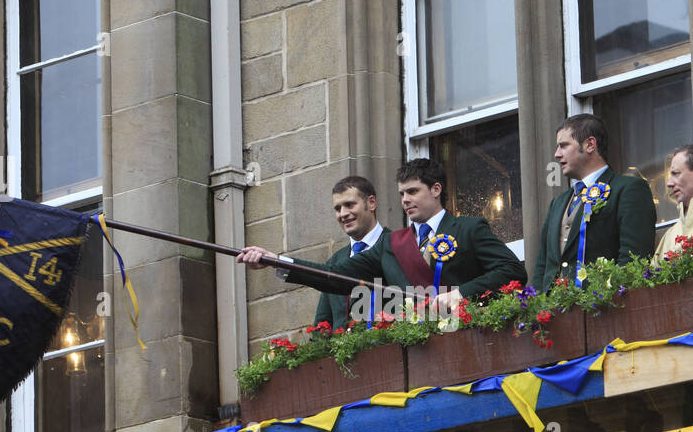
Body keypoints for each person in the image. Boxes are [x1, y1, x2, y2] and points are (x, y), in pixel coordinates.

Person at [237, 158, 526, 318]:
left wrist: (458, 294)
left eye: (413, 192)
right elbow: (335, 275)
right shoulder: (392, 244)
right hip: (415, 349)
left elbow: (512, 271)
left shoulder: (469, 229)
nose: (405, 200)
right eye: (401, 194)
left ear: (436, 189)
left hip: (468, 336)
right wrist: (278, 261)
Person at [532, 114, 656, 292]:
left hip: (604, 311)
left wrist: (606, 298)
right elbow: (542, 269)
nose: (557, 154)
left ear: (590, 144)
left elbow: (634, 257)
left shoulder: (628, 189)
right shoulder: (557, 203)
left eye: (564, 145)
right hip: (555, 316)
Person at [313, 176, 386, 330]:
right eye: (338, 209)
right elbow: (322, 325)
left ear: (371, 203)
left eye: (349, 205)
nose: (343, 214)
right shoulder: (335, 262)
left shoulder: (395, 245)